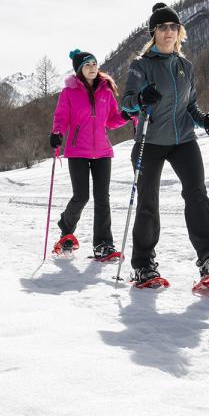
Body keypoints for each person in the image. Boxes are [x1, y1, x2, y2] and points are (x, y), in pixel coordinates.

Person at [120, 2, 209, 286]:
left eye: (173, 27)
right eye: (163, 27)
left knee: (197, 195)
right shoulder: (141, 66)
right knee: (148, 203)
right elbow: (127, 102)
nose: (169, 32)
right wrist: (140, 100)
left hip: (183, 140)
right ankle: (143, 265)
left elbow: (191, 105)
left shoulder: (185, 66)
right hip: (150, 141)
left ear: (180, 32)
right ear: (153, 33)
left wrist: (205, 120)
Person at [48, 49, 133, 260]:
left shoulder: (106, 91)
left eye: (94, 63)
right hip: (77, 151)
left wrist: (125, 115)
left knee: (102, 198)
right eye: (87, 65)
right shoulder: (69, 93)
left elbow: (111, 120)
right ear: (79, 70)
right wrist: (57, 133)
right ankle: (66, 230)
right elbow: (61, 118)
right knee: (81, 196)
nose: (93, 67)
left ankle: (103, 244)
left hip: (102, 151)